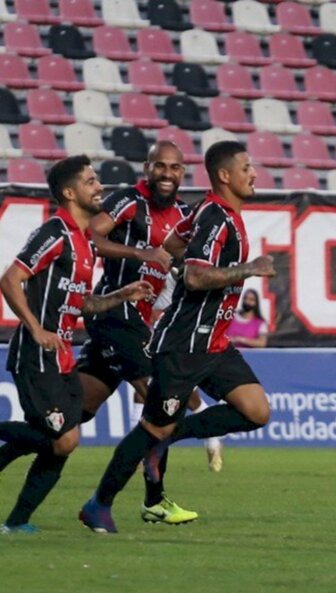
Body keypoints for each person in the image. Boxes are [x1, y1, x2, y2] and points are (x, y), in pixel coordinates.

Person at [79, 140, 276, 533]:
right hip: (184, 345)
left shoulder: (206, 211)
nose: (253, 174)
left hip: (215, 343)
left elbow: (171, 246)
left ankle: (167, 443)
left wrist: (165, 268)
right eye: (247, 167)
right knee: (151, 428)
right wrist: (247, 269)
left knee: (256, 411)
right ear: (225, 175)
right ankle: (98, 504)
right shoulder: (217, 218)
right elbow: (196, 276)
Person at [0, 155, 153, 534]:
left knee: (62, 443)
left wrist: (120, 295)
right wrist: (36, 328)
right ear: (69, 192)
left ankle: (16, 521)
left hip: (61, 357)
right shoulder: (55, 233)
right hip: (36, 354)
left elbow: (83, 303)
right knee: (62, 438)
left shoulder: (86, 243)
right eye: (91, 182)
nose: (100, 188)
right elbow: (10, 279)